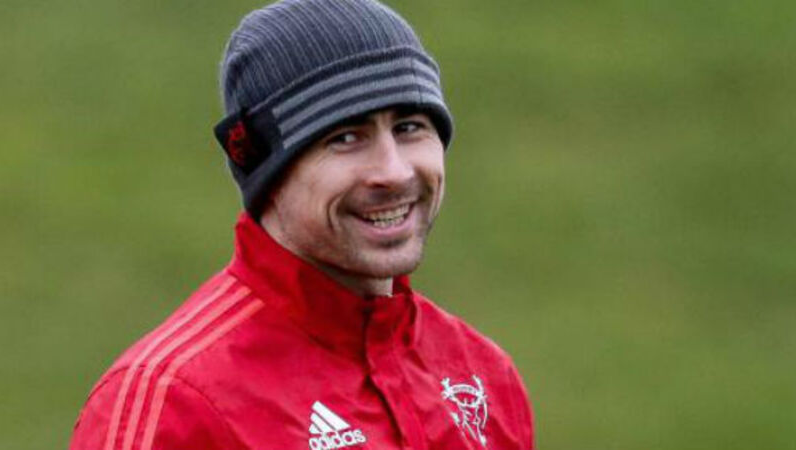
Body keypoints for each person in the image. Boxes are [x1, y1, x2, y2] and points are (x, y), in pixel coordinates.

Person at [69, 0, 533, 449]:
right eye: (345, 138)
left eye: (409, 127)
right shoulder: (175, 400)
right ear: (268, 174)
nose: (393, 172)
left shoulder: (482, 373)